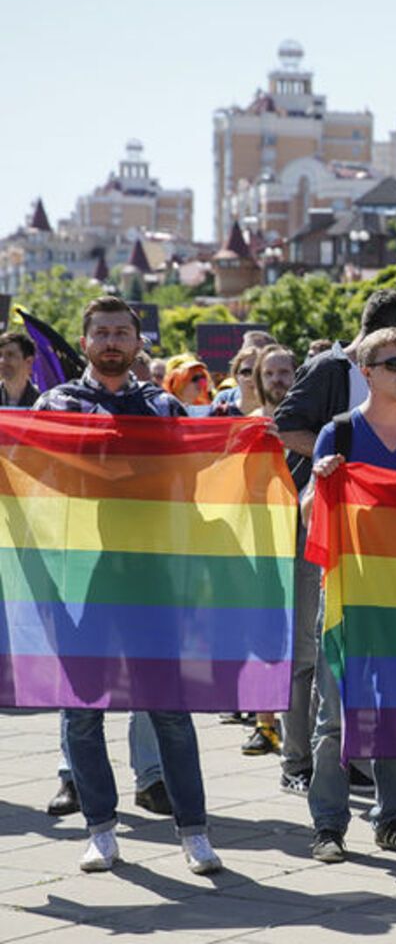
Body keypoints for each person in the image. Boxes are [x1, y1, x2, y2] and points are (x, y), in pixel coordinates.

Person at [34, 295, 221, 875]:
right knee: (82, 710)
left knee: (168, 706)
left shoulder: (163, 407)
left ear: (138, 343)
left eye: (122, 332)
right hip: (78, 576)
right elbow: (32, 479)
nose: (112, 341)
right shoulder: (57, 404)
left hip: (152, 576)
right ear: (85, 341)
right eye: (102, 332)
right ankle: (101, 830)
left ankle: (193, 832)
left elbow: (190, 483)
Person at [304, 327, 396, 863]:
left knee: (395, 712)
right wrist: (319, 485)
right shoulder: (336, 435)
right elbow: (309, 518)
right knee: (335, 718)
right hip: (345, 595)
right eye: (393, 364)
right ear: (367, 374)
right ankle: (328, 825)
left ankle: (393, 818)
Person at [274, 290, 396, 796]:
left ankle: (348, 757)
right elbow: (283, 425)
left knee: (359, 650)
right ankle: (296, 761)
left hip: (377, 539)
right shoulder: (329, 369)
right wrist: (337, 457)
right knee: (310, 648)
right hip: (320, 525)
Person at [240, 343, 300, 758]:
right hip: (261, 543)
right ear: (259, 382)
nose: (277, 380)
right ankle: (265, 724)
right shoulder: (247, 426)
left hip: (303, 539)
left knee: (303, 642)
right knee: (265, 637)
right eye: (269, 374)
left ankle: (302, 726)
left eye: (284, 372)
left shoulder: (308, 426)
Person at [211, 344, 260, 415]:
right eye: (246, 372)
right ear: (236, 376)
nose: (252, 378)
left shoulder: (277, 413)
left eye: (258, 372)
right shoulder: (221, 412)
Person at [0, 330, 39, 407]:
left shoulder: (42, 403)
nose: (2, 361)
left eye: (10, 354)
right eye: (0, 355)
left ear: (28, 362)